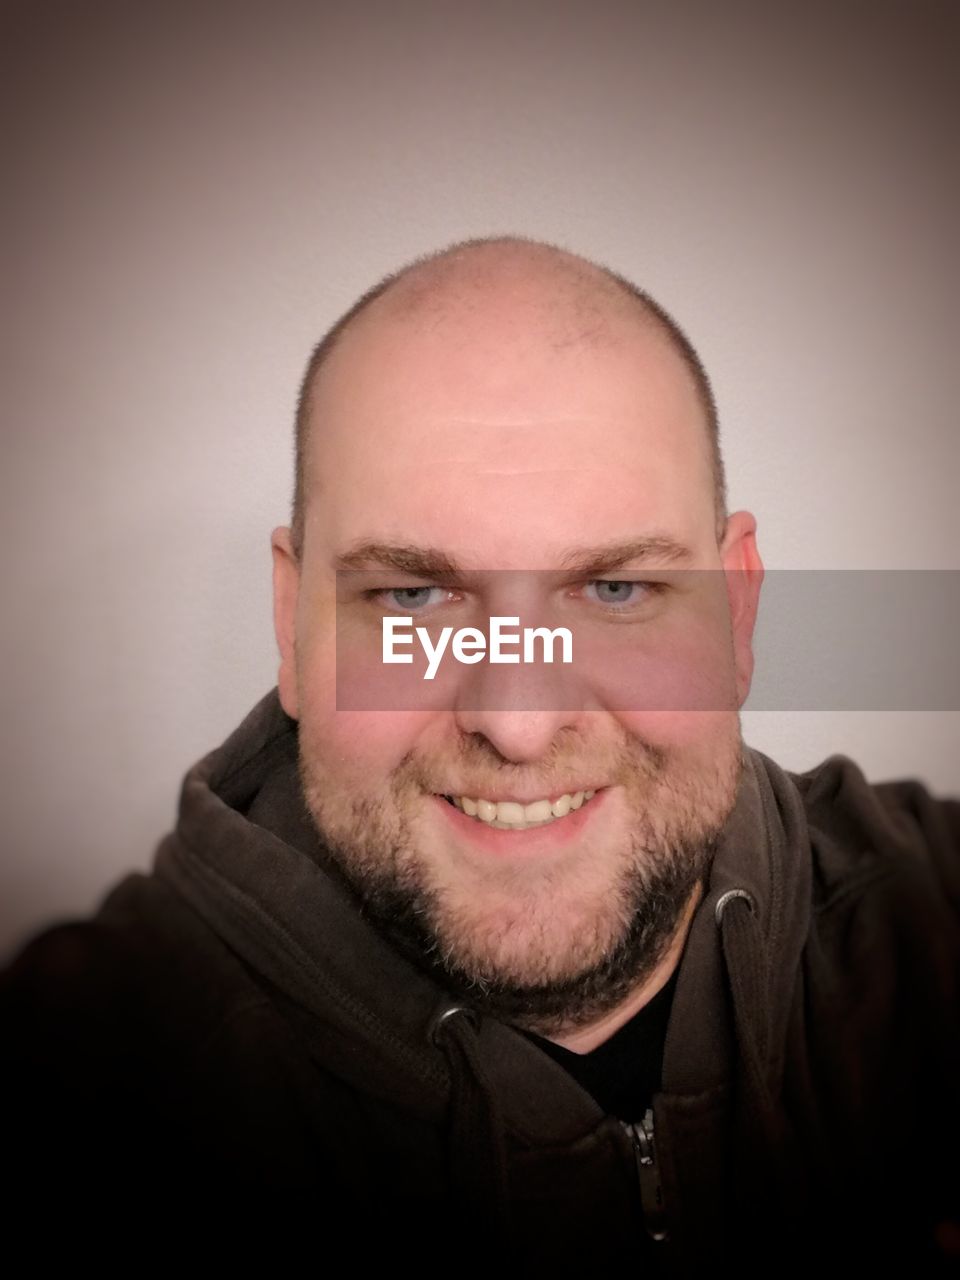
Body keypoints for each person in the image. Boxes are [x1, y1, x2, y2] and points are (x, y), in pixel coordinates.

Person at [2, 236, 958, 1272]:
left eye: (616, 589)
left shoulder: (935, 924)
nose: (518, 723)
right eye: (413, 596)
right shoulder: (77, 1076)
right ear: (292, 618)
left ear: (736, 606)